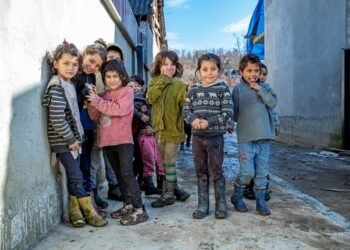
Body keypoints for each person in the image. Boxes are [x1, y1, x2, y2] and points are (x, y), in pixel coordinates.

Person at [42, 41, 107, 227]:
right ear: (55, 64)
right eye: (66, 64)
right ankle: (90, 213)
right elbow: (57, 118)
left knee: (75, 176)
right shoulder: (57, 86)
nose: (71, 68)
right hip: (66, 141)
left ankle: (75, 213)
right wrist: (71, 139)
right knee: (77, 176)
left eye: (74, 64)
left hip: (75, 139)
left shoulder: (69, 83)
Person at [87, 60, 148, 225]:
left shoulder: (127, 92)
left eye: (116, 76)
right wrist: (92, 99)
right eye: (108, 76)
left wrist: (97, 102)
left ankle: (140, 209)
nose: (112, 79)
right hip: (107, 142)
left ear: (123, 77)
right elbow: (94, 116)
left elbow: (119, 110)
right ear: (104, 78)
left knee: (127, 174)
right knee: (119, 175)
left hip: (123, 141)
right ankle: (128, 205)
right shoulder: (104, 95)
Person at [184, 53, 233, 219]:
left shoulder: (222, 89)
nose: (209, 72)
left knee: (216, 170)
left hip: (215, 138)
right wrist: (194, 120)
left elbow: (227, 112)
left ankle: (221, 204)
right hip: (197, 138)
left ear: (218, 70)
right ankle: (203, 205)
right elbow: (186, 111)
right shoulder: (194, 90)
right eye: (205, 69)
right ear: (199, 71)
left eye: (213, 69)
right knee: (200, 170)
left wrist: (208, 122)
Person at [230, 54, 277, 216]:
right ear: (241, 71)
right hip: (246, 138)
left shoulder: (266, 87)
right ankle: (237, 196)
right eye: (249, 70)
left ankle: (260, 201)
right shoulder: (237, 90)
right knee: (247, 172)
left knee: (262, 171)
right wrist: (230, 124)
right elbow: (233, 111)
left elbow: (272, 103)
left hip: (264, 137)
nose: (253, 74)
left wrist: (260, 90)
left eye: (256, 70)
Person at [147, 50, 191, 208]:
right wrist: (164, 80)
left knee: (169, 163)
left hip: (173, 130)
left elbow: (183, 104)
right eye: (165, 64)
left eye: (172, 64)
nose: (169, 67)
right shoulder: (154, 82)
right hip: (159, 130)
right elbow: (151, 97)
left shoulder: (179, 85)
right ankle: (175, 189)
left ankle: (168, 195)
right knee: (163, 164)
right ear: (159, 67)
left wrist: (188, 93)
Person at [243, 62, 278, 201]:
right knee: (249, 164)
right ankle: (249, 188)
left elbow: (273, 108)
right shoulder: (246, 90)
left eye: (264, 74)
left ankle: (263, 189)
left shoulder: (266, 89)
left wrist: (276, 125)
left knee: (262, 163)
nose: (261, 77)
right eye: (259, 73)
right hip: (250, 133)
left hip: (265, 132)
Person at [128, 76, 165, 196]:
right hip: (135, 134)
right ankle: (141, 184)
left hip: (145, 133)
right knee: (143, 160)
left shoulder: (144, 100)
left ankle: (145, 184)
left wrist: (153, 129)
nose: (134, 88)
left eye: (136, 86)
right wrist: (140, 115)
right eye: (131, 86)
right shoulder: (132, 99)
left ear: (142, 88)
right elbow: (130, 109)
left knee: (145, 160)